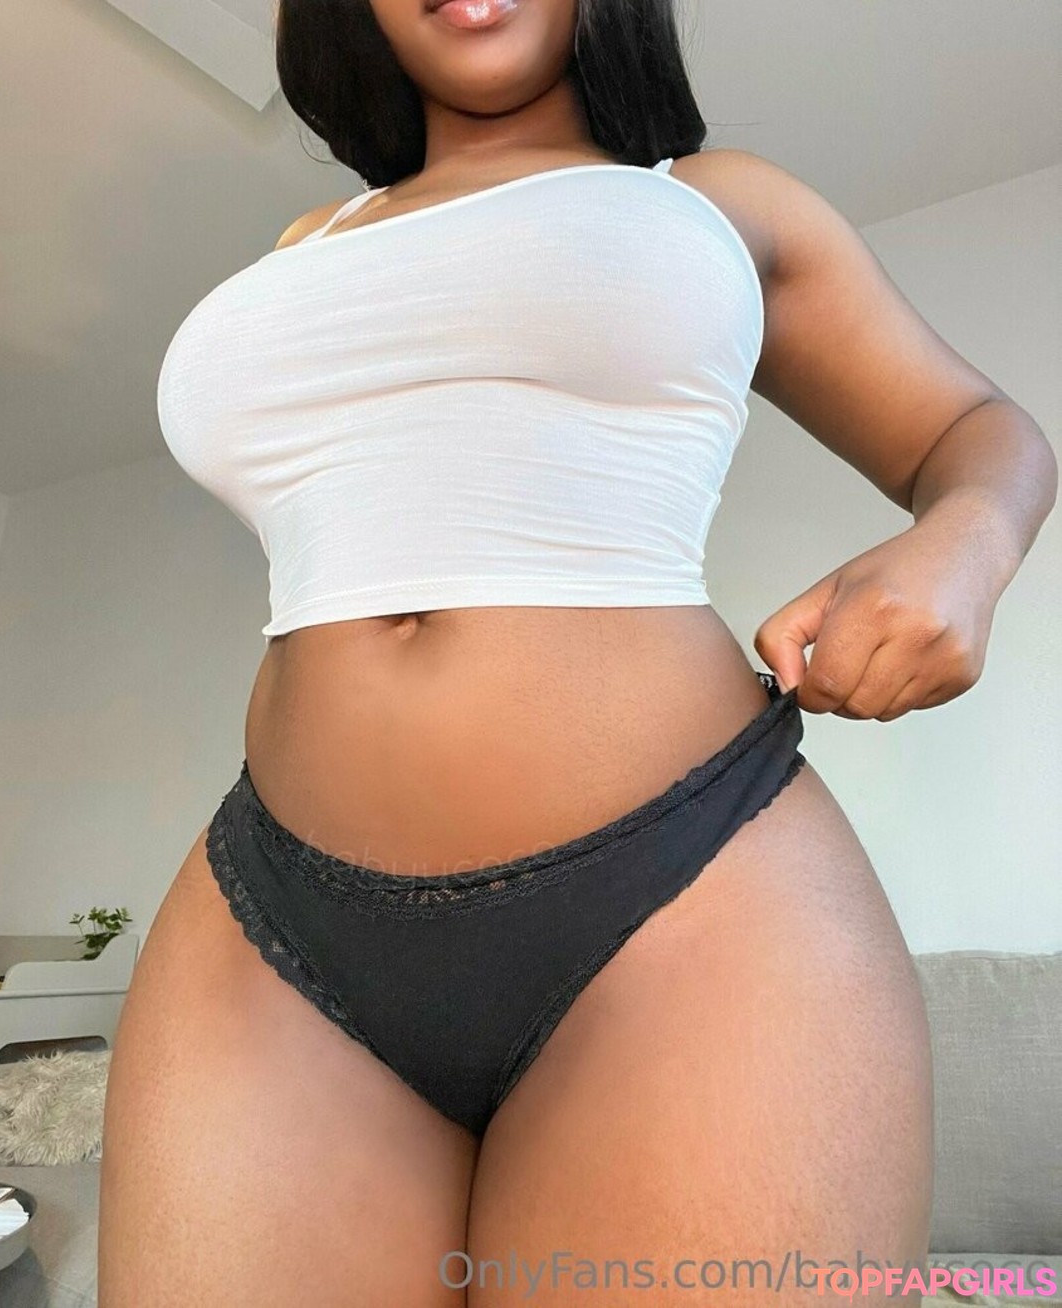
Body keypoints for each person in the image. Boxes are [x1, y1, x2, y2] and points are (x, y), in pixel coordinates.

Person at [98, 0, 1056, 1304]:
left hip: (685, 901)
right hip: (276, 923)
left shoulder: (714, 201)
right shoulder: (303, 244)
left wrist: (962, 547)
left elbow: (975, 429)